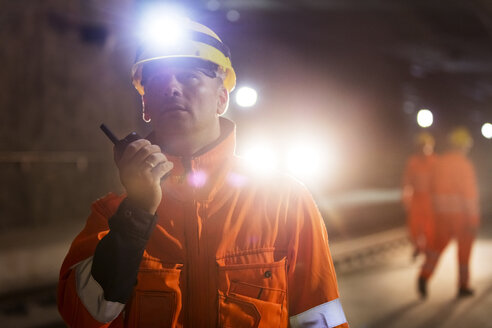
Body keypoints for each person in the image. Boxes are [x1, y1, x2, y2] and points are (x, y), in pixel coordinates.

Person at [57, 17, 349, 327]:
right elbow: (83, 317)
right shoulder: (111, 216)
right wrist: (137, 214)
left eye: (189, 75)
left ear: (222, 97)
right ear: (145, 104)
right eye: (158, 79)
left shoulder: (285, 203)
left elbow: (320, 320)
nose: (171, 87)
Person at [418, 127, 480, 299]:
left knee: (436, 247)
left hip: (441, 215)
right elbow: (469, 195)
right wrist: (473, 220)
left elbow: (430, 189)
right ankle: (463, 286)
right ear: (463, 146)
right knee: (464, 251)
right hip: (461, 216)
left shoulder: (439, 162)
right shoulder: (464, 165)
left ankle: (424, 275)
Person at [402, 132, 437, 259]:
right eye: (421, 146)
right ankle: (418, 247)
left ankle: (428, 248)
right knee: (414, 226)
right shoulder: (413, 162)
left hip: (430, 199)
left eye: (425, 145)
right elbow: (407, 182)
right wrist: (406, 198)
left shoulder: (435, 162)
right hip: (417, 198)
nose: (423, 148)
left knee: (429, 226)